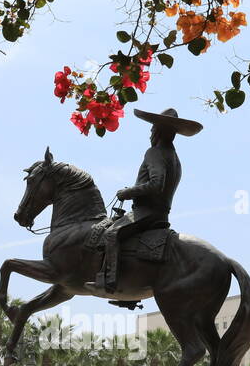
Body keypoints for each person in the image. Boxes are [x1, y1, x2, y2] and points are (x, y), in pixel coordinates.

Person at [87, 107, 203, 294]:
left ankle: (109, 280)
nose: (150, 133)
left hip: (146, 213)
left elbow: (157, 184)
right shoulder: (174, 158)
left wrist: (129, 192)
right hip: (162, 213)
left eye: (152, 129)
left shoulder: (155, 152)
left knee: (111, 234)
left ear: (158, 131)